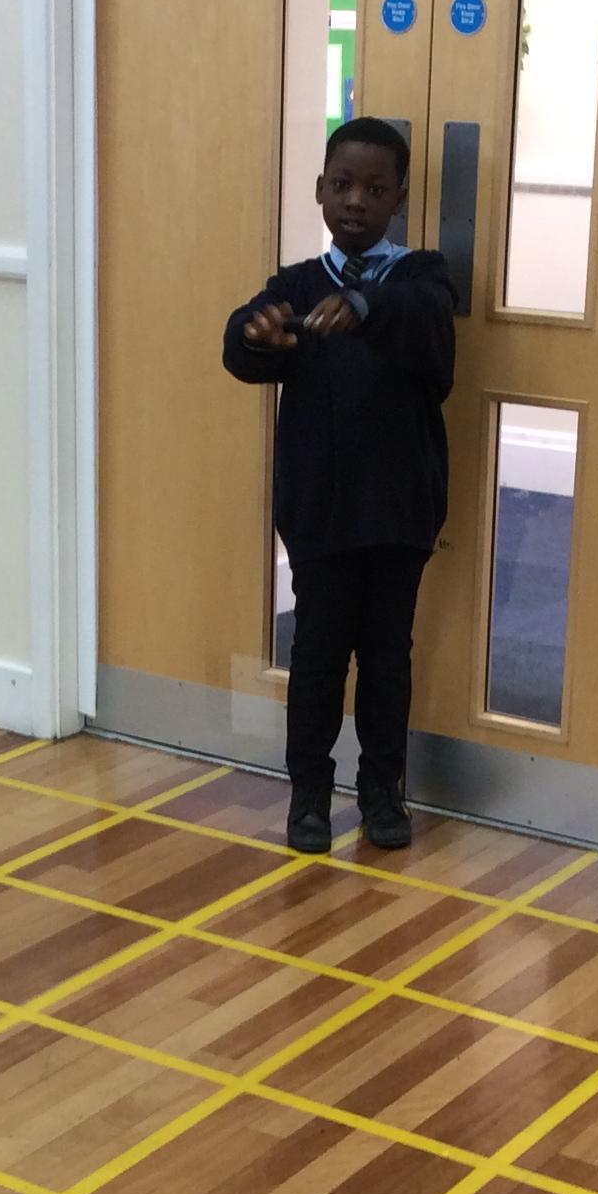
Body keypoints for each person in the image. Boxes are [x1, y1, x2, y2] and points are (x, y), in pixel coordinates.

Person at [223, 118, 456, 856]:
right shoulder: (296, 284)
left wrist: (364, 306)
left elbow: (427, 323)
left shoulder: (420, 278)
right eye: (343, 185)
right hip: (322, 514)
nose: (357, 200)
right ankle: (310, 796)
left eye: (376, 189)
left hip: (399, 510)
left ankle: (383, 790)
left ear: (399, 200)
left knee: (387, 657)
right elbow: (243, 347)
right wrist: (254, 334)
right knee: (318, 658)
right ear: (321, 189)